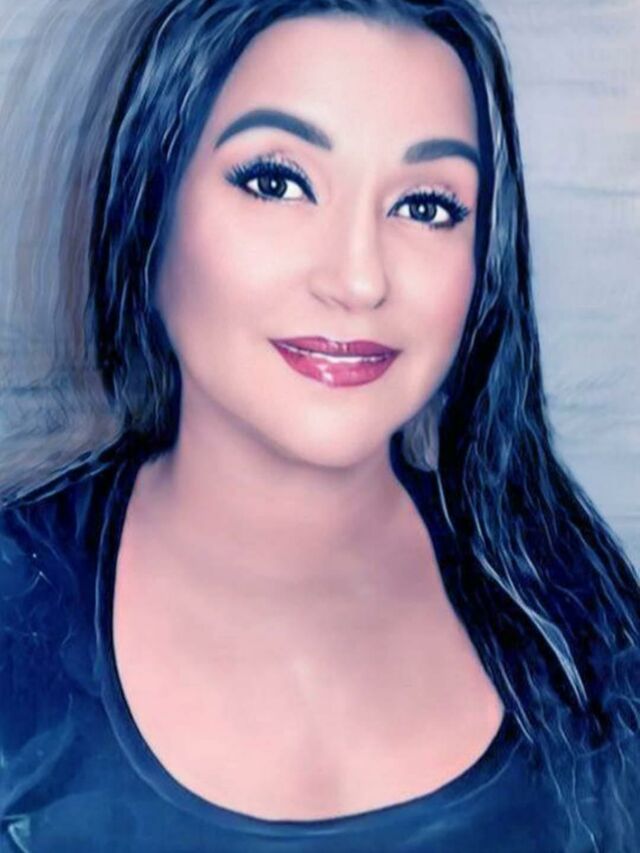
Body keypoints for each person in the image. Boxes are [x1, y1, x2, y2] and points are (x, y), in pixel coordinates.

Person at [1, 0, 638, 850]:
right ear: (150, 207)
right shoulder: (15, 614)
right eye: (277, 182)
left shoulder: (575, 619)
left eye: (425, 205)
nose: (359, 278)